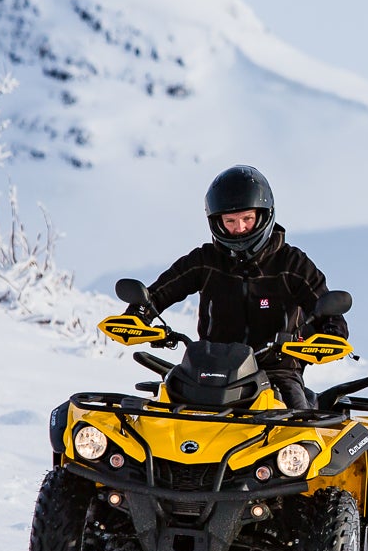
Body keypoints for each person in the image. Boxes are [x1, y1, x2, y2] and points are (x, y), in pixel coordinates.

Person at [132, 165, 346, 409]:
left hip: (276, 373)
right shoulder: (206, 260)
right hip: (209, 372)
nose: (240, 228)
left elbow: (329, 311)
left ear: (264, 215)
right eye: (230, 221)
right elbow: (159, 292)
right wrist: (138, 315)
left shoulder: (292, 264)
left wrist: (330, 334)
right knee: (160, 415)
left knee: (300, 428)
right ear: (217, 222)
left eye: (247, 218)